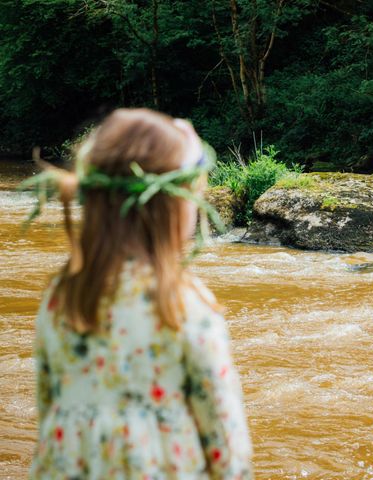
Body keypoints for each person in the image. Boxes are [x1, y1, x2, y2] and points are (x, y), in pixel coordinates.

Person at [25, 108, 253, 479]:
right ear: (173, 208)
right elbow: (225, 436)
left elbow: (47, 406)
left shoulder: (61, 296)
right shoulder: (183, 302)